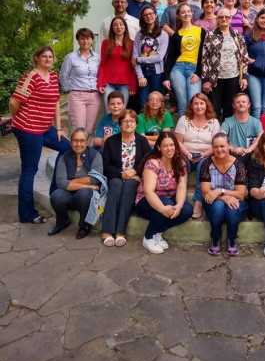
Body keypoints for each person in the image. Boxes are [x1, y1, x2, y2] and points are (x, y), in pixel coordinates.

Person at [10, 46, 71, 223]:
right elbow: (14, 101)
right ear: (36, 58)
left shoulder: (52, 76)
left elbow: (56, 103)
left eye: (50, 56)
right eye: (44, 56)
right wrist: (21, 119)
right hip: (28, 129)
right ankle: (27, 214)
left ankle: (54, 191)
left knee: (67, 148)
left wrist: (59, 129)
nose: (48, 59)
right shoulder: (31, 76)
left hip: (45, 128)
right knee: (30, 170)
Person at [135, 132, 193, 254]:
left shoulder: (180, 163)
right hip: (145, 202)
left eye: (172, 145)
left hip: (168, 200)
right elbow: (148, 191)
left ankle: (157, 231)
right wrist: (162, 209)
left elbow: (182, 188)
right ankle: (148, 237)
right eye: (165, 146)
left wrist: (179, 205)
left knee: (187, 210)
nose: (169, 148)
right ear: (159, 148)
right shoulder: (153, 163)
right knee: (166, 203)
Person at [101, 109, 151, 246]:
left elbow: (148, 162)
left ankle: (120, 231)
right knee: (116, 185)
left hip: (134, 178)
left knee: (129, 186)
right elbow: (105, 165)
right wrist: (122, 174)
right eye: (125, 121)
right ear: (120, 123)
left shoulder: (142, 141)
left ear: (136, 123)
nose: (128, 123)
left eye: (132, 121)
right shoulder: (111, 141)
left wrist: (135, 172)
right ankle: (107, 230)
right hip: (116, 175)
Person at [48, 128, 105, 239]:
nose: (78, 144)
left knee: (84, 193)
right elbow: (60, 183)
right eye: (75, 140)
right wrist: (87, 185)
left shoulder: (95, 155)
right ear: (70, 141)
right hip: (69, 194)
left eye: (82, 140)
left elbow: (95, 179)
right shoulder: (64, 157)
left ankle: (84, 226)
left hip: (87, 197)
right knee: (56, 195)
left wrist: (71, 181)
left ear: (87, 141)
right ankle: (62, 221)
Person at [200, 132, 248, 256]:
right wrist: (224, 197)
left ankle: (231, 238)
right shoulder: (206, 164)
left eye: (222, 146)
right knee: (218, 207)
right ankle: (215, 238)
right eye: (215, 147)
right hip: (213, 201)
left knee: (232, 209)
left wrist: (220, 191)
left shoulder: (238, 165)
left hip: (236, 200)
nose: (219, 149)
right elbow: (205, 192)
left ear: (229, 146)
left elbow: (241, 195)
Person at [175, 93, 220, 219]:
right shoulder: (184, 119)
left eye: (202, 103)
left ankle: (198, 202)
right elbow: (178, 142)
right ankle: (181, 199)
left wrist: (204, 154)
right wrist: (188, 154)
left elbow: (216, 144)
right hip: (186, 153)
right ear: (191, 105)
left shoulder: (213, 122)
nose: (199, 106)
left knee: (204, 166)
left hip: (205, 154)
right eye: (196, 103)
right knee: (181, 165)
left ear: (206, 105)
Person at [201, 7, 249, 121]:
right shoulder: (210, 35)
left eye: (227, 17)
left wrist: (245, 77)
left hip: (233, 77)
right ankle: (215, 135)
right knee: (214, 108)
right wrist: (206, 79)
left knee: (229, 108)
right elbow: (205, 58)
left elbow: (244, 57)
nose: (224, 19)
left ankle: (227, 134)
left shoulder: (237, 35)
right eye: (221, 17)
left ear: (231, 19)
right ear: (217, 18)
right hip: (215, 79)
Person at [163, 3, 205, 117]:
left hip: (194, 68)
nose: (186, 14)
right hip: (178, 69)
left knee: (195, 102)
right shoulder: (177, 34)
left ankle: (193, 132)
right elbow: (170, 56)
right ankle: (182, 133)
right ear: (178, 15)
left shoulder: (201, 31)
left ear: (192, 13)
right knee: (182, 103)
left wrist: (198, 72)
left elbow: (204, 54)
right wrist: (166, 77)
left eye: (188, 11)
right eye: (183, 12)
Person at [59, 28, 101, 140]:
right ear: (78, 41)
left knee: (90, 129)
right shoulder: (70, 57)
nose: (85, 41)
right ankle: (75, 155)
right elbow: (63, 76)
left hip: (94, 96)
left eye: (88, 38)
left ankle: (86, 155)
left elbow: (100, 75)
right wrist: (70, 89)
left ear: (92, 40)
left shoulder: (97, 58)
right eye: (82, 38)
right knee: (78, 129)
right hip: (78, 96)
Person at [133, 5, 169, 109]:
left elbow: (159, 57)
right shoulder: (139, 34)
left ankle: (156, 125)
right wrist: (140, 76)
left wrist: (139, 59)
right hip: (143, 74)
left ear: (155, 14)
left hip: (156, 74)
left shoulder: (163, 34)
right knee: (143, 104)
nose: (149, 16)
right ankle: (145, 125)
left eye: (151, 14)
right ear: (143, 18)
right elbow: (134, 56)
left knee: (156, 103)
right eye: (145, 15)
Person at [98, 16, 136, 112]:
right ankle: (108, 128)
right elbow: (102, 64)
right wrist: (100, 83)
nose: (118, 27)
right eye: (115, 25)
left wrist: (133, 86)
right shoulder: (106, 43)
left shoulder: (131, 43)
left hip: (125, 83)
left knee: (121, 112)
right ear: (112, 28)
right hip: (108, 83)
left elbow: (133, 66)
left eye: (121, 24)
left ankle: (118, 128)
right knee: (108, 111)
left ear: (125, 27)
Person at [221, 92, 263, 159]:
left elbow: (261, 136)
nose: (241, 104)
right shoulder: (228, 122)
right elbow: (220, 136)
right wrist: (233, 149)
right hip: (233, 156)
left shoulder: (256, 122)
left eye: (243, 102)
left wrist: (249, 149)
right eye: (238, 102)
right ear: (234, 105)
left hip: (252, 156)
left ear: (249, 104)